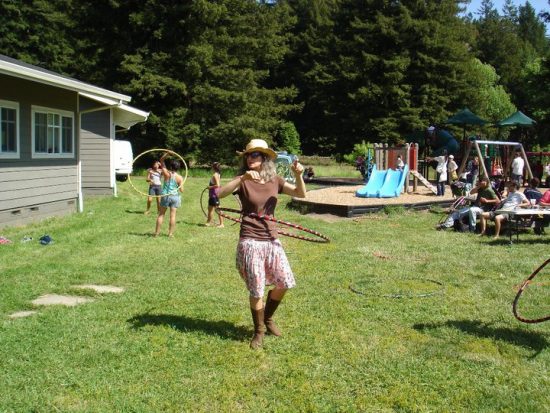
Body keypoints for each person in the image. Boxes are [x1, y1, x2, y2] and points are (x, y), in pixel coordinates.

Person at [217, 138, 306, 349]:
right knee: (256, 289)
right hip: (250, 240)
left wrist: (299, 175)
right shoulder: (243, 180)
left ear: (265, 158)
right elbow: (218, 194)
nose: (250, 158)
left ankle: (267, 318)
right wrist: (241, 179)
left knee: (285, 282)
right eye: (248, 155)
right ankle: (258, 331)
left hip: (272, 238)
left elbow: (301, 194)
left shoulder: (275, 180)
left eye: (255, 154)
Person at [154, 153, 184, 237]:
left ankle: (157, 233)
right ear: (178, 168)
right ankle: (170, 234)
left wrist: (167, 153)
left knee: (161, 214)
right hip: (175, 196)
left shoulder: (167, 173)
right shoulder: (180, 178)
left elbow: (161, 160)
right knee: (173, 216)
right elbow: (182, 190)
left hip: (166, 196)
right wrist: (179, 185)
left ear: (171, 166)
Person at [205, 162, 224, 227]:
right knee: (210, 208)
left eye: (212, 166)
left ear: (213, 167)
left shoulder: (215, 175)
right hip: (213, 194)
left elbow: (218, 185)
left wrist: (210, 187)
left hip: (214, 195)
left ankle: (221, 224)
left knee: (217, 209)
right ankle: (208, 222)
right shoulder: (217, 174)